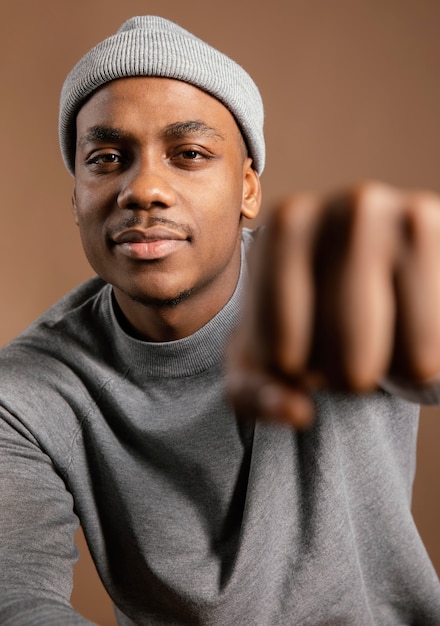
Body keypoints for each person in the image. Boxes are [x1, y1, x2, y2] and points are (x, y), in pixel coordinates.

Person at [1, 14, 440, 626]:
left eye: (189, 154)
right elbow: (18, 600)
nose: (144, 189)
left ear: (248, 188)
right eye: (106, 157)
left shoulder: (337, 287)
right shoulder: (24, 395)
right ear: (75, 194)